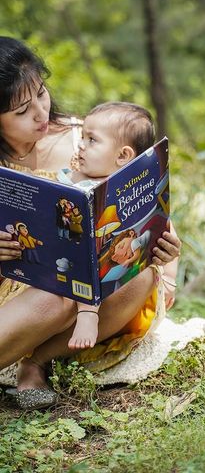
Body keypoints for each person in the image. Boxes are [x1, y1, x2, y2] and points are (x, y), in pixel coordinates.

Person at [0, 37, 181, 410]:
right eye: (22, 111)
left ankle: (36, 361)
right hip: (17, 291)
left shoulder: (89, 138)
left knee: (140, 276)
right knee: (55, 297)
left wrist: (166, 254)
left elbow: (149, 204)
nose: (41, 113)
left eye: (42, 93)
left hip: (89, 297)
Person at [57, 101, 174, 352]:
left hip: (117, 272)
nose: (81, 145)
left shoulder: (135, 191)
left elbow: (165, 230)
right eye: (82, 137)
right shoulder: (72, 179)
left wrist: (171, 281)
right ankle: (87, 312)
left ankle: (90, 314)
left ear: (123, 155)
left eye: (92, 140)